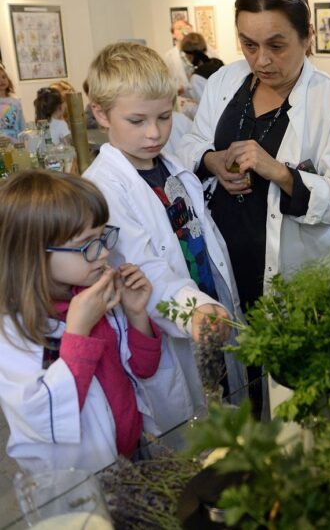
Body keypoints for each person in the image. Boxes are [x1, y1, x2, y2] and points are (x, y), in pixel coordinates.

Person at [173, 0, 330, 311]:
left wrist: (281, 173)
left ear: (307, 36)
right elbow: (191, 141)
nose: (261, 60)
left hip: (295, 277)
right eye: (249, 44)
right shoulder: (225, 81)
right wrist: (211, 160)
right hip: (223, 260)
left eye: (276, 46)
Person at [82, 42, 246, 428]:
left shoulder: (171, 167)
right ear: (101, 114)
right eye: (137, 121)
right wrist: (194, 309)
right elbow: (143, 270)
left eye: (164, 116)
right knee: (189, 443)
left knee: (226, 418)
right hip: (170, 330)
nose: (154, 133)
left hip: (207, 308)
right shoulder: (103, 190)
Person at [0, 171, 162, 473]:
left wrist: (137, 314)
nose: (104, 253)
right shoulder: (13, 333)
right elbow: (45, 418)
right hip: (83, 478)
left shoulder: (92, 294)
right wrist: (78, 331)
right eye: (87, 243)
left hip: (133, 452)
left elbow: (142, 369)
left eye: (103, 237)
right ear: (33, 254)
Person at [180, 32, 225, 105]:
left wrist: (188, 107)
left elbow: (204, 108)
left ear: (189, 56)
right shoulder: (217, 63)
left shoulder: (196, 78)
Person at [163, 19, 195, 94]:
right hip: (181, 99)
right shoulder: (169, 56)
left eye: (185, 28)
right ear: (173, 34)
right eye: (179, 28)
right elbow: (167, 80)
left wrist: (193, 36)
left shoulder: (199, 51)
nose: (183, 31)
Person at [0, 64, 25, 142]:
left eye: (4, 77)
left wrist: (24, 136)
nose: (1, 80)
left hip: (15, 140)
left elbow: (21, 122)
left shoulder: (16, 101)